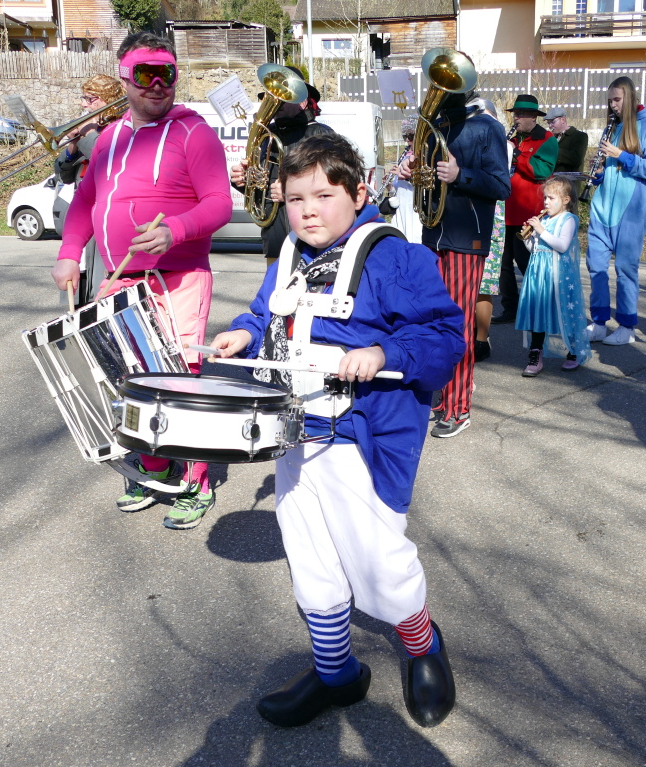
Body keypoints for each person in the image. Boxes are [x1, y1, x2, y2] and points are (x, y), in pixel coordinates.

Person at [210, 133, 465, 729]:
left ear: (359, 192)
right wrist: (244, 334)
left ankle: (424, 647)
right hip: (295, 431)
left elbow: (445, 335)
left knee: (379, 562)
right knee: (311, 557)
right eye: (296, 198)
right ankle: (336, 674)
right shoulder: (288, 258)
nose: (309, 210)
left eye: (325, 195)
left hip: (363, 435)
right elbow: (264, 312)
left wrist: (384, 349)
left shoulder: (397, 257)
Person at [51, 31, 232, 526]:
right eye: (145, 75)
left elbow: (219, 203)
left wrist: (175, 230)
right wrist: (70, 253)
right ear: (125, 78)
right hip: (122, 280)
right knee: (130, 374)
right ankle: (153, 464)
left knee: (181, 377)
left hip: (179, 275)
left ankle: (195, 478)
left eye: (166, 75)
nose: (157, 85)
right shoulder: (108, 137)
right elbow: (86, 202)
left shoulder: (194, 133)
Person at [398, 89, 511, 438]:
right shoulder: (436, 124)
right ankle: (445, 393)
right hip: (434, 233)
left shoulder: (487, 127)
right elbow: (427, 176)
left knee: (459, 323)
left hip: (467, 239)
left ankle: (459, 407)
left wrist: (461, 175)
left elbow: (501, 185)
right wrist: (411, 168)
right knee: (434, 320)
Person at [584, 76, 646, 346]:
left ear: (629, 97)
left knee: (626, 268)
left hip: (631, 211)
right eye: (610, 101)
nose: (613, 105)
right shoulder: (612, 127)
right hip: (603, 208)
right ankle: (599, 323)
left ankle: (627, 327)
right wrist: (598, 174)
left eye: (617, 100)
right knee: (595, 267)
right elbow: (611, 174)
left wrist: (621, 155)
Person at [229, 66, 333, 266]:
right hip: (276, 240)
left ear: (303, 101)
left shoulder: (322, 134)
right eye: (270, 94)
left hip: (313, 242)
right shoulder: (266, 137)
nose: (276, 101)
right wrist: (244, 181)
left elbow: (334, 185)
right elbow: (261, 192)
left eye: (286, 95)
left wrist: (291, 191)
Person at [53, 74, 125, 308]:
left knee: (99, 295)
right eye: (84, 98)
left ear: (108, 100)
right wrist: (72, 146)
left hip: (106, 224)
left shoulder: (121, 130)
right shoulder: (93, 129)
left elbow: (108, 164)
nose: (84, 104)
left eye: (91, 99)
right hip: (81, 220)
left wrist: (88, 135)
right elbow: (63, 175)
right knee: (75, 293)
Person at [515, 176, 592, 376]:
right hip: (538, 273)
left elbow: (561, 246)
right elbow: (536, 249)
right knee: (538, 315)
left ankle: (574, 351)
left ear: (566, 200)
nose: (546, 202)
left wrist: (540, 231)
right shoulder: (545, 219)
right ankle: (535, 354)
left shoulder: (569, 219)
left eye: (551, 198)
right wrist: (529, 238)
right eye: (545, 198)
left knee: (565, 312)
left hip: (558, 276)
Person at [497, 94, 558, 325]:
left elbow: (542, 171)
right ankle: (510, 308)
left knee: (527, 263)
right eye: (515, 114)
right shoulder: (512, 138)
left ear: (534, 117)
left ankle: (538, 306)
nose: (517, 118)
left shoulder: (547, 139)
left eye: (521, 115)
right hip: (505, 210)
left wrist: (517, 155)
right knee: (503, 265)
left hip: (528, 212)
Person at [473, 99, 512, 361]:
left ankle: (481, 340)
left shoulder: (503, 144)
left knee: (484, 283)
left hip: (493, 214)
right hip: (469, 213)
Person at [384, 117, 421, 243]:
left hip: (414, 210)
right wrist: (390, 186)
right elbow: (397, 189)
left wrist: (408, 177)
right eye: (404, 135)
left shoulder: (425, 156)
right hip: (401, 210)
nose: (407, 140)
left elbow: (425, 185)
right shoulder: (403, 155)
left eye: (410, 136)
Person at [544, 106, 589, 197]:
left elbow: (576, 159)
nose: (550, 126)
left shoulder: (579, 136)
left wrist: (552, 151)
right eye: (548, 123)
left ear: (563, 120)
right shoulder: (551, 138)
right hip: (552, 185)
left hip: (569, 187)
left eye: (553, 122)